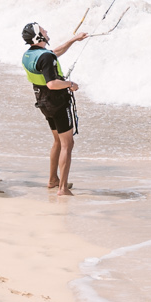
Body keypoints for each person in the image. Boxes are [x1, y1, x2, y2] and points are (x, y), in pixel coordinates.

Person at [20, 21, 88, 195]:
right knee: (67, 144)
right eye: (43, 30)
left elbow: (53, 53)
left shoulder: (29, 55)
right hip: (57, 101)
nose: (46, 30)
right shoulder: (45, 57)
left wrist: (74, 40)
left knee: (58, 141)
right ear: (38, 36)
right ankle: (63, 189)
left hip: (43, 102)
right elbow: (51, 83)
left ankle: (53, 180)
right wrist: (70, 84)